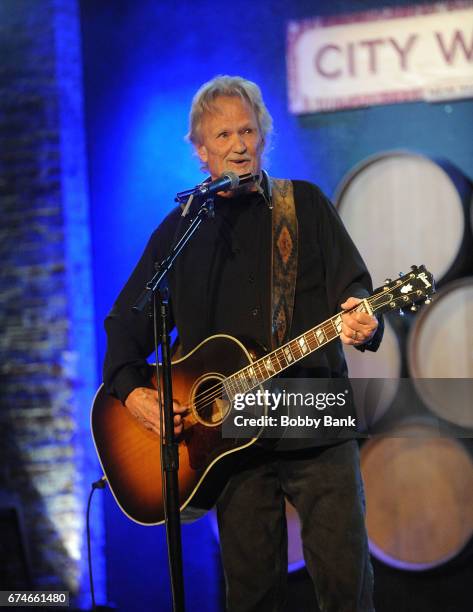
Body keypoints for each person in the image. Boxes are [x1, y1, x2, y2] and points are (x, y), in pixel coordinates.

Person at [103, 75, 383, 612]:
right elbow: (125, 325)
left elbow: (355, 290)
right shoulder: (176, 234)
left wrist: (362, 316)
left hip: (313, 414)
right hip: (229, 439)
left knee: (347, 591)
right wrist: (133, 391)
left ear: (264, 136)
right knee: (252, 598)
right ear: (201, 153)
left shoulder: (305, 205)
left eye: (248, 131)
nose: (239, 145)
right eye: (225, 135)